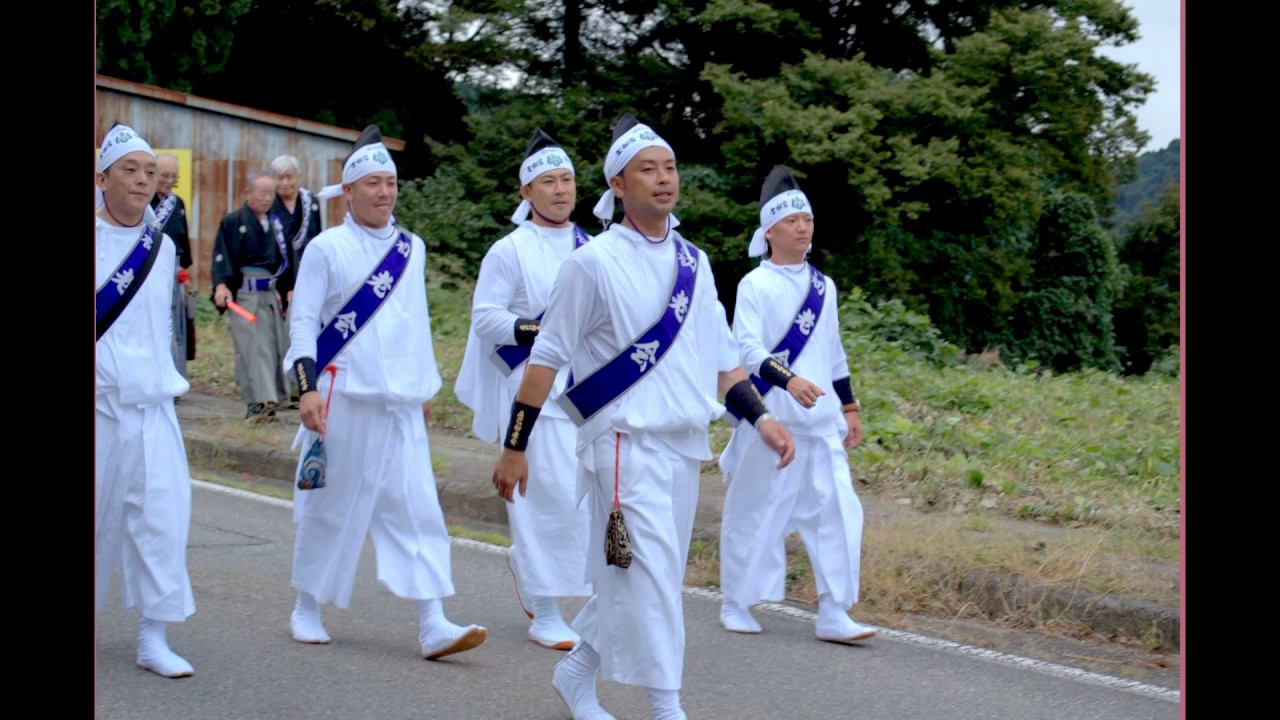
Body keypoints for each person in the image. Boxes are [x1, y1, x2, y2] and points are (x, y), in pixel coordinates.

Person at [492, 113, 796, 720]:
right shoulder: (592, 262)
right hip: (621, 442)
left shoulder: (696, 262)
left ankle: (576, 674)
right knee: (652, 580)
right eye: (647, 170)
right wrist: (515, 445)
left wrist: (761, 418)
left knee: (640, 576)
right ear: (617, 185)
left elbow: (723, 360)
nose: (663, 179)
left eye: (670, 168)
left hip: (684, 445)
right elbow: (545, 361)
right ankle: (667, 707)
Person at [282, 125, 487, 661]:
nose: (384, 192)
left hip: (400, 405)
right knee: (328, 505)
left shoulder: (410, 248)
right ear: (348, 191)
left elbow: (412, 322)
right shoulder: (326, 248)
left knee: (418, 508)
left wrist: (422, 385)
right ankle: (306, 605)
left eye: (390, 182)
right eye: (372, 182)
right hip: (342, 396)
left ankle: (433, 621)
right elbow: (302, 323)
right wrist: (306, 389)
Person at [716, 165, 875, 644]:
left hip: (821, 423)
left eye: (807, 218)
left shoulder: (824, 287)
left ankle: (833, 611)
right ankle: (735, 601)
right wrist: (788, 381)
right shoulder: (754, 286)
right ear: (769, 232)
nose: (803, 226)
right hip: (772, 420)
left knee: (838, 515)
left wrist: (849, 407)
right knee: (756, 512)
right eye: (792, 220)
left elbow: (835, 351)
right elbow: (746, 350)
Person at [456, 127, 594, 652]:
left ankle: (542, 577)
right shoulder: (509, 250)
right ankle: (548, 610)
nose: (560, 190)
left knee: (580, 499)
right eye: (548, 182)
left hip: (588, 391)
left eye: (567, 180)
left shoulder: (596, 247)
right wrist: (540, 333)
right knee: (545, 496)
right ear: (526, 193)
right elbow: (486, 317)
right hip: (532, 387)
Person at [95, 122, 197, 678]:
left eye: (149, 172)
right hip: (99, 406)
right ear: (101, 177)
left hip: (153, 406)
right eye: (129, 170)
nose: (142, 180)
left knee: (163, 519)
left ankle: (153, 637)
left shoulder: (161, 248)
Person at [210, 171, 296, 421]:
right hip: (245, 294)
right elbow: (221, 255)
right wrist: (221, 285)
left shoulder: (277, 224)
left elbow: (288, 261)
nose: (267, 198)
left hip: (270, 293)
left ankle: (272, 401)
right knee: (251, 347)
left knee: (274, 346)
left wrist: (289, 287)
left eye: (271, 193)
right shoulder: (233, 221)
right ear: (248, 193)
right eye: (262, 193)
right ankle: (257, 403)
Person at [151, 153, 196, 380]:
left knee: (176, 325)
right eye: (164, 176)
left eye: (173, 177)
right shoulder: (143, 200)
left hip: (174, 268)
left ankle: (175, 376)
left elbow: (184, 240)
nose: (169, 181)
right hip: (149, 267)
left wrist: (186, 273)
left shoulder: (177, 203)